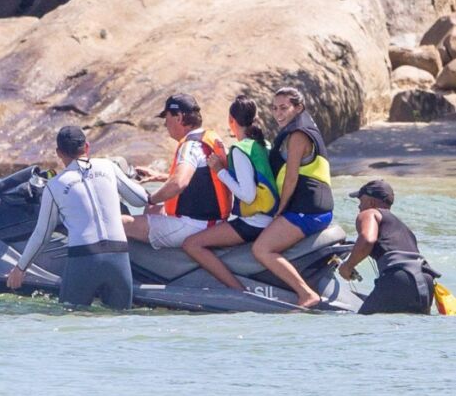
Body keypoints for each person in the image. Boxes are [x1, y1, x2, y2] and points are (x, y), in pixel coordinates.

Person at [6, 125, 149, 309]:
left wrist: (20, 268)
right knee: (119, 322)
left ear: (58, 153)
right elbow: (140, 199)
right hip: (118, 256)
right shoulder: (108, 167)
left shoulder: (54, 186)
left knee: (70, 318)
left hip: (84, 258)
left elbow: (42, 234)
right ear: (87, 147)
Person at [181, 95, 278, 289]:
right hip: (271, 218)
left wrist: (220, 171)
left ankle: (237, 289)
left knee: (191, 244)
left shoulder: (240, 150)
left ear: (231, 121)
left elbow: (248, 195)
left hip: (254, 222)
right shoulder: (264, 145)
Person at [251, 87, 334, 308]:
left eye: (284, 108)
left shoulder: (298, 135)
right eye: (274, 108)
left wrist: (281, 209)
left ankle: (306, 293)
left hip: (307, 209)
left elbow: (291, 177)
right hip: (312, 207)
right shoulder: (301, 128)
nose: (278, 113)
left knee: (261, 249)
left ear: (299, 107)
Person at [123, 94, 231, 249]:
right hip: (214, 222)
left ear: (179, 117)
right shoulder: (208, 140)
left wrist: (149, 198)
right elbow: (204, 180)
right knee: (153, 210)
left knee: (120, 223)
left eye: (166, 118)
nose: (165, 124)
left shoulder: (190, 146)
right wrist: (160, 176)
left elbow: (179, 183)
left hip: (194, 226)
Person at [340, 180, 440, 314]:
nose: (359, 207)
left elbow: (367, 240)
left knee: (363, 327)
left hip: (399, 277)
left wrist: (347, 266)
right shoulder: (403, 227)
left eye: (361, 201)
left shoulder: (369, 213)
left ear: (371, 202)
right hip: (425, 279)